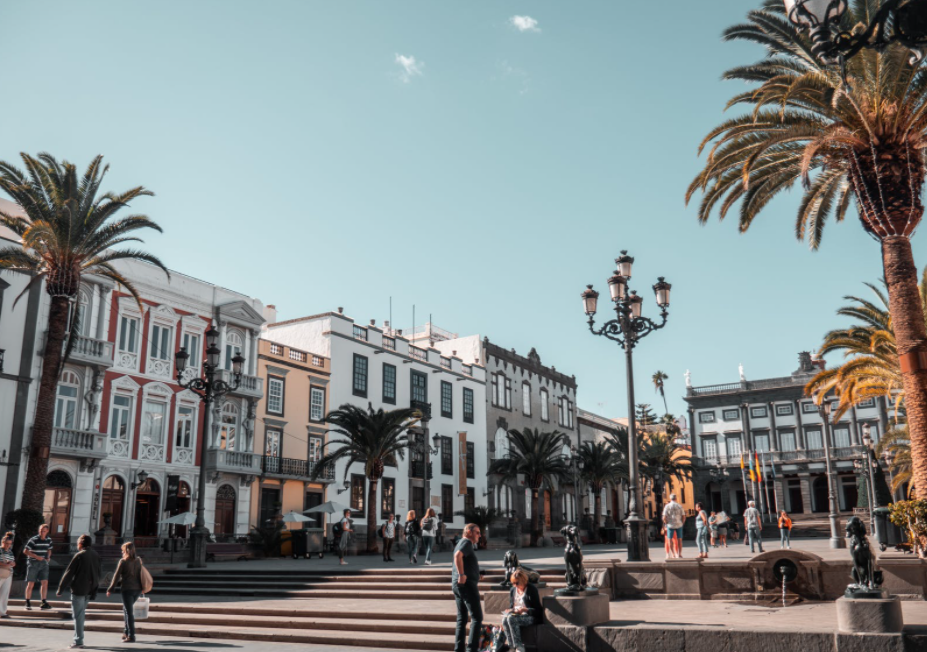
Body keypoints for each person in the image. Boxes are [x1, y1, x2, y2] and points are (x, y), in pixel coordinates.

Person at [57, 534, 101, 649]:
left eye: (78, 543)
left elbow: (69, 572)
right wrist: (95, 587)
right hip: (90, 589)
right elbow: (98, 572)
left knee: (78, 615)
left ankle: (78, 641)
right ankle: (78, 639)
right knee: (81, 614)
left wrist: (60, 589)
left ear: (80, 544)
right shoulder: (95, 554)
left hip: (79, 588)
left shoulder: (80, 555)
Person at [452, 523, 483, 652]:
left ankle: (459, 649)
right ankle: (471, 649)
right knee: (477, 617)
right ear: (469, 532)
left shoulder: (461, 543)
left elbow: (463, 560)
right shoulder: (466, 542)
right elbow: (457, 556)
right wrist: (462, 574)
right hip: (467, 585)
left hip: (458, 585)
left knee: (462, 618)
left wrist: (476, 573)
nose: (479, 535)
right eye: (477, 532)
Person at [107, 541, 144, 643]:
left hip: (127, 589)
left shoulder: (123, 561)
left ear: (126, 550)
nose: (122, 552)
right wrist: (143, 587)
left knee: (129, 613)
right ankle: (126, 632)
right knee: (126, 610)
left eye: (122, 550)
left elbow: (116, 576)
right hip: (137, 589)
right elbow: (141, 575)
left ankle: (131, 636)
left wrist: (110, 589)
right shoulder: (138, 560)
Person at [500, 568, 544, 652]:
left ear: (523, 581)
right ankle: (511, 646)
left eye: (517, 583)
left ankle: (519, 647)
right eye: (513, 583)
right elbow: (511, 606)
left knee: (511, 619)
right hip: (516, 615)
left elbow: (538, 610)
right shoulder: (513, 590)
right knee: (505, 619)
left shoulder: (531, 589)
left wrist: (525, 610)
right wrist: (509, 610)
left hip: (530, 616)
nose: (515, 585)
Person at [23, 524, 53, 610]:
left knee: (45, 582)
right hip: (33, 563)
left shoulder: (49, 540)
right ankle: (28, 602)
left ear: (47, 531)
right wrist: (36, 557)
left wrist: (48, 557)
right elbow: (25, 551)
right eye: (40, 531)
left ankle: (43, 601)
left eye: (44, 531)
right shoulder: (34, 539)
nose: (42, 532)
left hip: (43, 563)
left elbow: (49, 549)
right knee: (31, 583)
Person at [661, 494, 686, 559]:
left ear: (670, 498)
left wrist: (666, 523)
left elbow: (664, 517)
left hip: (670, 524)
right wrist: (682, 523)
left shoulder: (667, 506)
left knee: (669, 539)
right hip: (679, 524)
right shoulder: (679, 506)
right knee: (679, 539)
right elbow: (683, 516)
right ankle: (679, 554)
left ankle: (673, 554)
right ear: (676, 498)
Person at [0, 531, 15, 619]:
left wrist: (12, 563)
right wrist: (4, 564)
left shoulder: (10, 552)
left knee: (4, 593)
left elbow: (13, 561)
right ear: (3, 542)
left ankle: (2, 612)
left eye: (9, 544)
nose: (8, 546)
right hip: (1, 572)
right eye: (6, 544)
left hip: (8, 573)